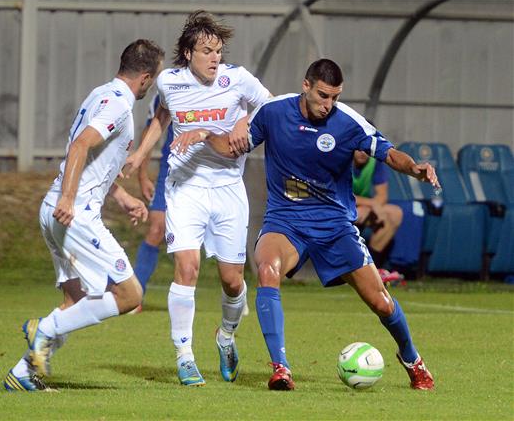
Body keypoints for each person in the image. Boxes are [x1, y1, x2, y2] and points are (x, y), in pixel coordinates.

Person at [172, 58, 438, 391]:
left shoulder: (347, 122)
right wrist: (206, 134)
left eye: (335, 97)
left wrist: (414, 168)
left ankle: (412, 359)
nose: (329, 105)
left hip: (335, 225)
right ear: (306, 85)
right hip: (286, 220)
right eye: (324, 95)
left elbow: (388, 153)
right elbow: (232, 147)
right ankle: (280, 368)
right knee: (267, 269)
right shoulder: (273, 112)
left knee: (381, 302)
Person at [3, 39, 165, 392]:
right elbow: (80, 146)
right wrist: (69, 198)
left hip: (54, 209)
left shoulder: (99, 94)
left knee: (75, 303)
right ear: (146, 78)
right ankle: (43, 329)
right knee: (130, 294)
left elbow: (91, 160)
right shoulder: (120, 106)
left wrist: (120, 195)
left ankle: (21, 373)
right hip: (72, 214)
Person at [124, 10, 271, 386]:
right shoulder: (169, 81)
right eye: (206, 51)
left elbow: (269, 108)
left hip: (228, 190)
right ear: (188, 53)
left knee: (233, 282)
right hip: (185, 187)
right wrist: (140, 156)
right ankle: (185, 356)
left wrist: (243, 121)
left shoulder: (237, 79)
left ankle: (225, 335)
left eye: (218, 51)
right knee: (186, 268)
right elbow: (161, 115)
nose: (214, 58)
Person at [129, 93, 174, 314]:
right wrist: (143, 175)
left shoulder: (224, 86)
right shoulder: (167, 89)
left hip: (212, 173)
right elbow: (150, 131)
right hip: (172, 171)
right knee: (157, 229)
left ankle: (234, 293)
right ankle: (135, 296)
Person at [352, 150, 405, 284]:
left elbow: (382, 196)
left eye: (366, 149)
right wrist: (368, 205)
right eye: (358, 149)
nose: (362, 153)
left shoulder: (375, 162)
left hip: (362, 207)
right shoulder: (341, 158)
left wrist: (370, 207)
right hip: (337, 208)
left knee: (394, 214)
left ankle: (372, 270)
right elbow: (339, 194)